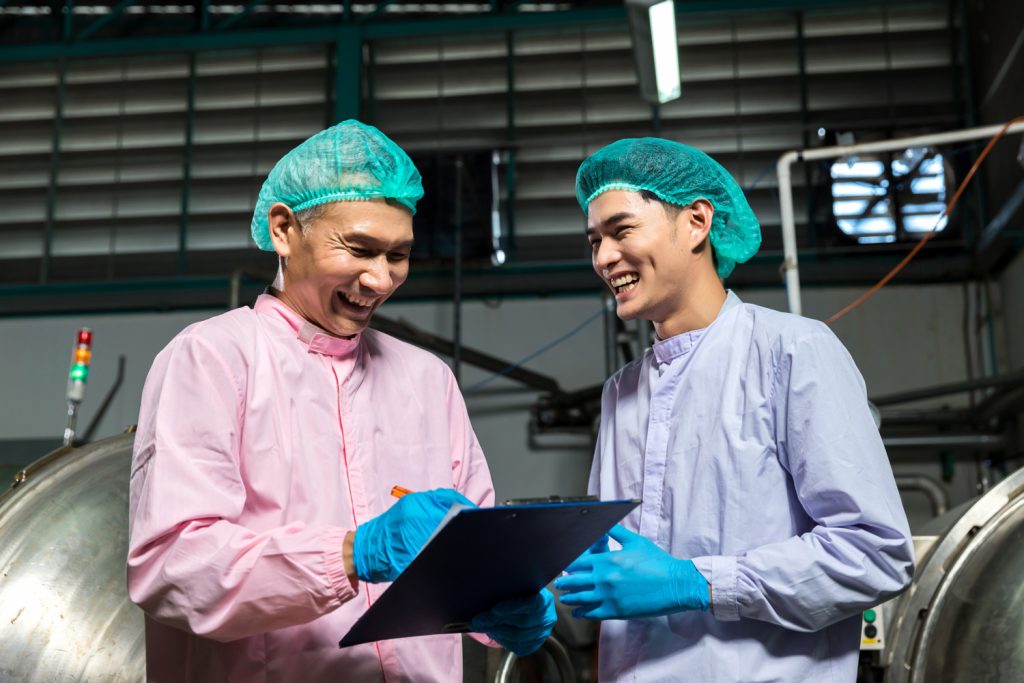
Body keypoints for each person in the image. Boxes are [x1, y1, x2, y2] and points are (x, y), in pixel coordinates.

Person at [126, 120, 555, 682]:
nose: (379, 279)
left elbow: (468, 553)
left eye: (398, 255)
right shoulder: (211, 360)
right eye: (359, 249)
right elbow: (173, 567)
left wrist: (499, 604)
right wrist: (352, 553)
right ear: (284, 231)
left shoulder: (427, 380)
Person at [553, 138, 915, 682]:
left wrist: (697, 583)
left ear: (697, 221)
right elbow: (615, 565)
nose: (603, 258)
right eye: (595, 240)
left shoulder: (792, 351)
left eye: (621, 231)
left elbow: (875, 552)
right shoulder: (620, 393)